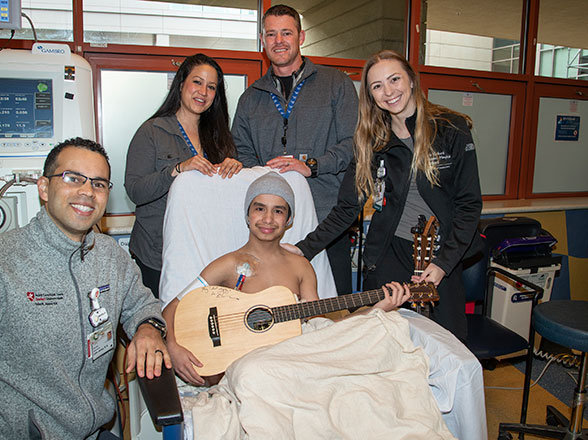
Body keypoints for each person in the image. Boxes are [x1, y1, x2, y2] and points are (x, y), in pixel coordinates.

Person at [0, 138, 171, 440]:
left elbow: (143, 304)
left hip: (94, 431)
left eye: (98, 184)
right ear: (44, 188)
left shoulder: (111, 258)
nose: (87, 191)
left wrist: (148, 327)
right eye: (73, 178)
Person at [289, 50, 483, 341]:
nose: (388, 91)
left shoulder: (451, 129)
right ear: (370, 95)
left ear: (412, 81)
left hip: (442, 255)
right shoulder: (371, 140)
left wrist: (443, 264)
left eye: (394, 80)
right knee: (380, 344)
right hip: (390, 255)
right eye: (377, 86)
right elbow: (346, 208)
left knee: (445, 347)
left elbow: (469, 205)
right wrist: (304, 248)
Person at [161, 172, 410, 386]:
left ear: (288, 220)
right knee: (252, 373)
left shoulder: (301, 267)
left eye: (278, 211)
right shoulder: (227, 265)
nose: (268, 219)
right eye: (259, 208)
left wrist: (377, 309)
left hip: (290, 362)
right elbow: (173, 307)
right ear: (247, 215)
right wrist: (173, 346)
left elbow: (322, 332)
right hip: (248, 367)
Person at [231, 4, 358, 295]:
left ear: (301, 37)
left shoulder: (336, 84)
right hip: (271, 225)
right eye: (271, 34)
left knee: (331, 308)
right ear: (262, 41)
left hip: (327, 222)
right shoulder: (251, 98)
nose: (279, 41)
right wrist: (266, 181)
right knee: (276, 307)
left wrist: (311, 165)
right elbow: (242, 152)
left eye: (286, 33)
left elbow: (354, 144)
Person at [125, 53, 242, 299]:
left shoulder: (220, 137)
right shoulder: (152, 131)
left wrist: (235, 169)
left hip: (205, 252)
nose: (203, 91)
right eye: (197, 82)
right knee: (162, 327)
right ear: (181, 85)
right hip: (157, 254)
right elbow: (135, 190)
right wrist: (176, 170)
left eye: (211, 87)